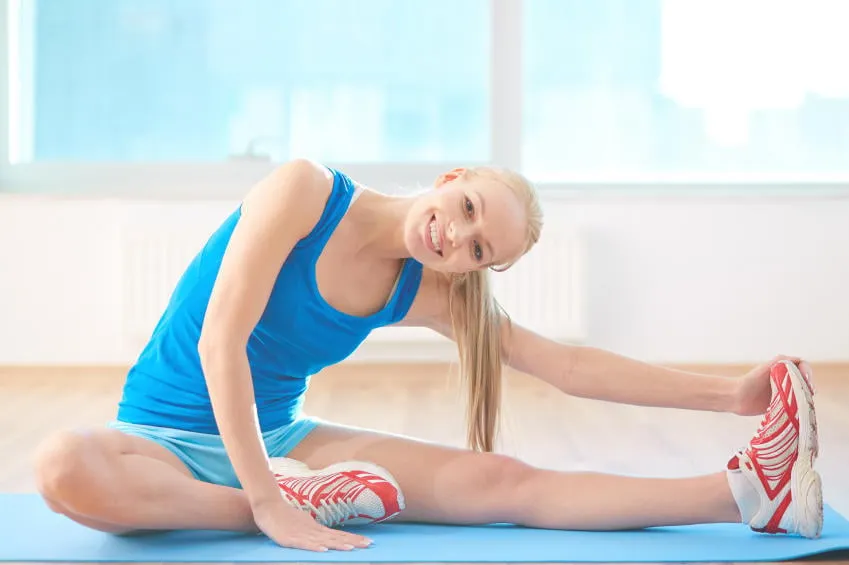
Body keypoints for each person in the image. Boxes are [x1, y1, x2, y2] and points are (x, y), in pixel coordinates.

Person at [33, 159, 823, 552]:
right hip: (161, 440)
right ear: (448, 178)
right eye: (467, 208)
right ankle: (288, 502)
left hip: (285, 442)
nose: (455, 236)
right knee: (64, 467)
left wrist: (728, 396)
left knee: (503, 480)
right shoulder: (305, 189)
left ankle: (743, 494)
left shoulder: (428, 288)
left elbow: (569, 367)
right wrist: (270, 501)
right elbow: (220, 339)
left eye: (478, 250)